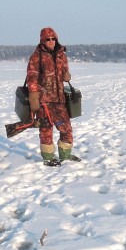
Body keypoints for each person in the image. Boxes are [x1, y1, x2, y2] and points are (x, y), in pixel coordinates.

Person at [26, 27, 75, 167]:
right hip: (44, 99)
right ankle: (48, 157)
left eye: (53, 38)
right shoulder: (37, 56)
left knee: (66, 127)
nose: (51, 41)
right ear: (43, 40)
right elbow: (32, 77)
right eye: (48, 39)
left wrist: (67, 75)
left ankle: (65, 155)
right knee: (46, 129)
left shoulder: (61, 55)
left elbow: (65, 70)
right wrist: (34, 96)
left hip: (59, 99)